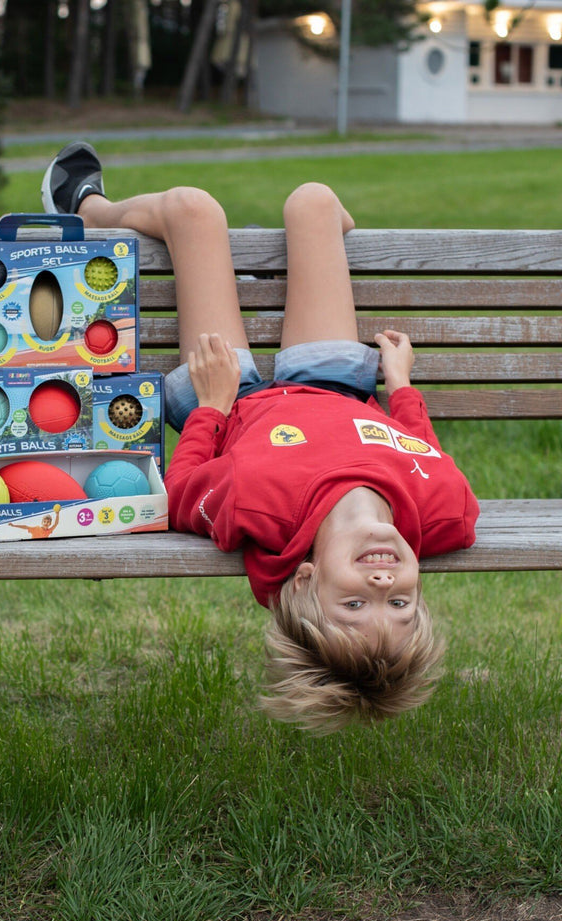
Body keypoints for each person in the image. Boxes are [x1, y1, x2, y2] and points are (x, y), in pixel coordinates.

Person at [41, 143, 479, 734]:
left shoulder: (255, 502)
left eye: (354, 604)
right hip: (338, 389)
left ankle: (90, 208)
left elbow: (179, 491)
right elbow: (423, 452)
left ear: (305, 581)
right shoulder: (447, 515)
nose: (382, 584)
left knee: (195, 211)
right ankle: (268, 279)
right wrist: (399, 388)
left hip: (234, 398)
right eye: (400, 604)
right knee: (314, 203)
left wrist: (214, 405)